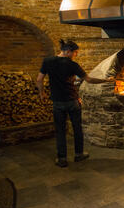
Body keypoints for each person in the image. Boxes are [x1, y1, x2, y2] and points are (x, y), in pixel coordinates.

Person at [36, 39, 113, 167]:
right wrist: (107, 80)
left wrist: (41, 93)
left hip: (57, 102)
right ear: (67, 51)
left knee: (60, 131)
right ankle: (79, 154)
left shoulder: (47, 61)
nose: (75, 55)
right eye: (75, 53)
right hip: (72, 101)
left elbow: (39, 79)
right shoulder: (72, 65)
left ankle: (62, 159)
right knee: (77, 128)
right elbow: (89, 79)